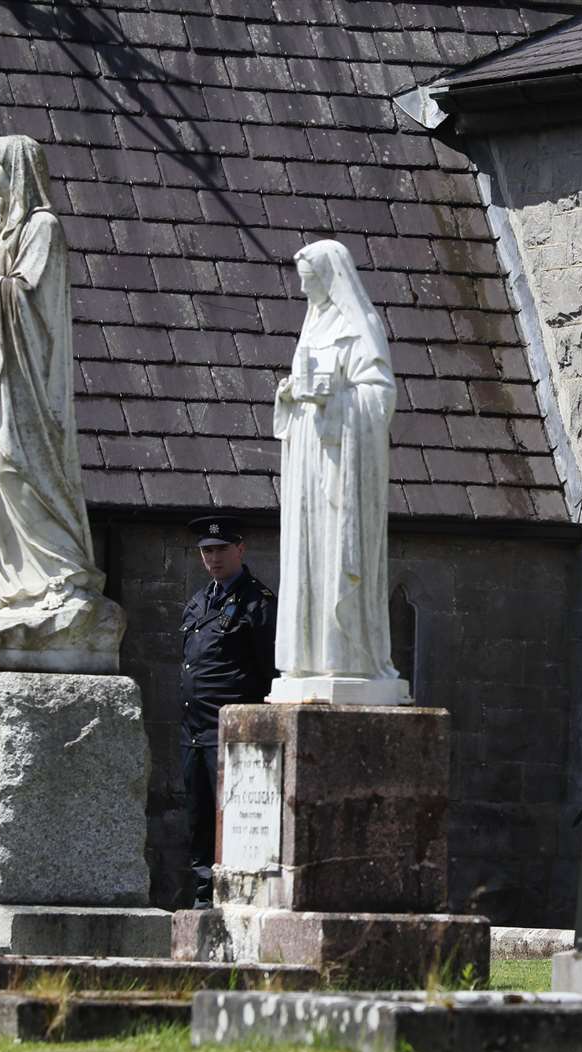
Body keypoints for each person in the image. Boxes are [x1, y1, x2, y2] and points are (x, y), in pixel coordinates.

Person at [0, 134, 102, 617]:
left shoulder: (44, 228)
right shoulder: (4, 234)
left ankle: (62, 577)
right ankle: (17, 586)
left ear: (16, 171)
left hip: (27, 383)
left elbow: (28, 300)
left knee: (14, 467)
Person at [271, 240, 399, 689]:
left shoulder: (360, 326)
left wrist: (335, 399)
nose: (304, 289)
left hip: (342, 465)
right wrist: (289, 394)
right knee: (308, 554)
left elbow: (379, 398)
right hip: (308, 459)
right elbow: (301, 393)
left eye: (309, 280)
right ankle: (307, 657)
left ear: (329, 277)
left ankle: (344, 655)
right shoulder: (312, 326)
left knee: (335, 556)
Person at [178, 515, 277, 908]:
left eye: (220, 549)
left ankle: (237, 902)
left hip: (233, 734)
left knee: (237, 821)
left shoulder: (258, 604)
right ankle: (204, 905)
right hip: (194, 733)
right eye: (206, 551)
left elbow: (269, 670)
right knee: (199, 820)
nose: (213, 558)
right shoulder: (199, 601)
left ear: (240, 549)